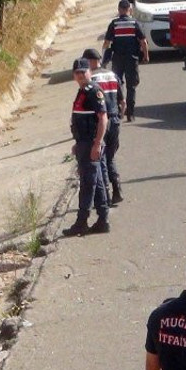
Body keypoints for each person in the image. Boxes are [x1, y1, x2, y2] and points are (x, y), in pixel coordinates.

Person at [64, 58, 109, 236]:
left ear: (90, 72)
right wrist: (77, 143)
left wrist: (97, 144)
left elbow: (103, 119)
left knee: (87, 183)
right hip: (84, 143)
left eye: (83, 72)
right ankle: (103, 220)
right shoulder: (82, 92)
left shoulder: (93, 91)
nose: (81, 76)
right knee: (96, 182)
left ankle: (82, 221)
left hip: (91, 143)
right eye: (77, 73)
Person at [83, 48, 125, 204]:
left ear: (90, 61)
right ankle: (117, 189)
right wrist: (119, 116)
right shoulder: (112, 75)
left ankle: (106, 195)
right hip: (114, 120)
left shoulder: (90, 79)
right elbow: (123, 102)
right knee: (110, 156)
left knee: (100, 157)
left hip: (100, 122)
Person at [102, 0, 148, 122]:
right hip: (132, 59)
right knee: (131, 86)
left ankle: (119, 109)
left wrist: (103, 58)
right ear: (129, 10)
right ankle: (130, 114)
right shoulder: (134, 23)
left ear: (119, 10)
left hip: (117, 59)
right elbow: (143, 41)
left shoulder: (114, 24)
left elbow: (106, 42)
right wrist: (146, 56)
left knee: (117, 83)